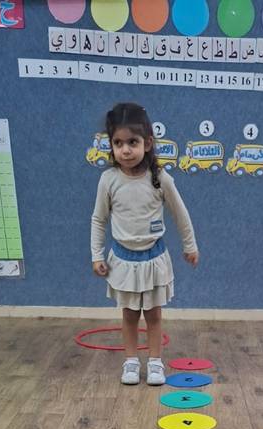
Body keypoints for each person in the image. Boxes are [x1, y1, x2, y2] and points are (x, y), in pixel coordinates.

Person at [91, 102, 199, 385]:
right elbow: (99, 219)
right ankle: (130, 361)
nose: (125, 150)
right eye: (118, 143)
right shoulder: (108, 180)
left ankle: (154, 362)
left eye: (132, 142)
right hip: (123, 260)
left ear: (147, 143)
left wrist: (190, 246)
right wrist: (96, 255)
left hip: (153, 259)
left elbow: (180, 214)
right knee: (129, 315)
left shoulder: (160, 178)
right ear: (111, 145)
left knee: (153, 315)